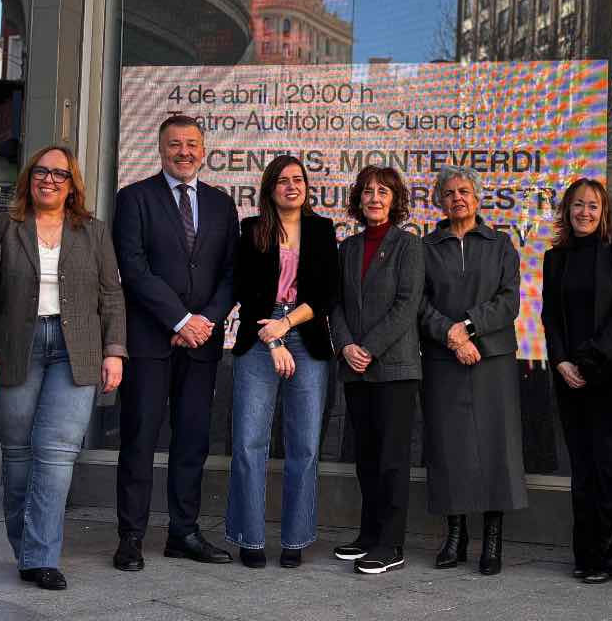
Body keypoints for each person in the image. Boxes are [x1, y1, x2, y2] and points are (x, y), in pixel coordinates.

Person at [0, 146, 127, 590]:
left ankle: (41, 555)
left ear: (72, 183)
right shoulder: (4, 227)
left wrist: (114, 351)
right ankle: (27, 549)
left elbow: (111, 294)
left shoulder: (93, 232)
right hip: (15, 346)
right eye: (42, 171)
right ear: (29, 179)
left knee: (56, 455)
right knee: (18, 457)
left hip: (76, 350)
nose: (50, 179)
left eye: (60, 174)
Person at [111, 115, 239, 571]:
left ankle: (183, 533)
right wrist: (179, 317)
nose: (183, 152)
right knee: (139, 438)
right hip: (150, 341)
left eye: (191, 144)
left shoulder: (223, 206)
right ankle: (131, 536)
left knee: (192, 441)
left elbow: (230, 274)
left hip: (202, 344)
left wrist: (205, 320)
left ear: (203, 150)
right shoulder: (134, 198)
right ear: (159, 149)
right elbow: (134, 266)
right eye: (174, 144)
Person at [225, 155, 338, 569]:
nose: (293, 186)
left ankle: (296, 538)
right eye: (283, 181)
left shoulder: (322, 231)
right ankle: (249, 538)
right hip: (259, 338)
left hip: (306, 337)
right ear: (269, 188)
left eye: (299, 180)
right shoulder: (252, 230)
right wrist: (273, 338)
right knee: (249, 443)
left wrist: (287, 323)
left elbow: (328, 294)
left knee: (304, 445)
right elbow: (246, 290)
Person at [418, 166, 526, 576]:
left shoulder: (500, 245)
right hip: (444, 358)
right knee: (450, 447)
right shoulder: (426, 248)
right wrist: (450, 334)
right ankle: (455, 534)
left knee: (495, 446)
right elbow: (419, 302)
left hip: (492, 358)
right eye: (448, 193)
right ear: (439, 201)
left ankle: (493, 539)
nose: (457, 198)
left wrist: (468, 328)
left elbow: (509, 300)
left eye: (464, 191)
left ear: (477, 199)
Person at [541, 177, 612, 584]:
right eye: (577, 205)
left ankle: (611, 556)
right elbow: (549, 316)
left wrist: (588, 358)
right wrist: (562, 361)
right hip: (570, 376)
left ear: (604, 213)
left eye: (592, 206)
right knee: (581, 466)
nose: (584, 212)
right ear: (567, 210)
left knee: (608, 462)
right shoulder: (554, 257)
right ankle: (584, 554)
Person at [329, 166, 424, 575]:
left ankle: (391, 543)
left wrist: (367, 347)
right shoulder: (347, 248)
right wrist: (347, 345)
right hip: (356, 369)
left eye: (383, 192)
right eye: (367, 191)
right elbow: (335, 304)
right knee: (366, 457)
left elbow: (407, 304)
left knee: (391, 459)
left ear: (395, 199)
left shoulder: (408, 246)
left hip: (395, 369)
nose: (374, 198)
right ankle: (368, 535)